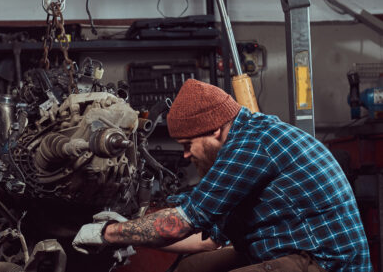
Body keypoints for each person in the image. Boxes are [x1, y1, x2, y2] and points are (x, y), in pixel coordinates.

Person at [73, 79, 372, 272]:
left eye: (189, 145)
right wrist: (131, 230)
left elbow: (180, 224)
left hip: (325, 263)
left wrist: (106, 233)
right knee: (189, 269)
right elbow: (206, 238)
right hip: (288, 251)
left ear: (215, 129)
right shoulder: (243, 141)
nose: (187, 155)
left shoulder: (255, 143)